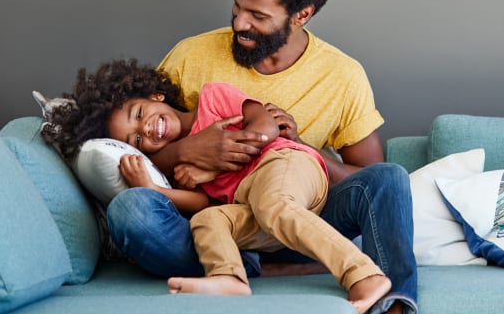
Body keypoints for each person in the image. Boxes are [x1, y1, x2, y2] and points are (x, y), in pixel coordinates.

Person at [106, 0, 417, 314]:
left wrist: (301, 147)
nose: (239, 23)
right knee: (131, 212)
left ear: (302, 14)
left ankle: (390, 299)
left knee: (389, 177)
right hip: (232, 216)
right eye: (237, 7)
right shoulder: (191, 56)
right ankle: (245, 271)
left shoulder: (343, 75)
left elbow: (365, 181)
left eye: (258, 16)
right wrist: (187, 151)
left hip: (300, 207)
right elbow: (149, 140)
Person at [42, 59, 392, 314]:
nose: (146, 129)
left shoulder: (212, 99)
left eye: (138, 114)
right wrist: (152, 188)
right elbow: (202, 204)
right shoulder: (180, 163)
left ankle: (362, 274)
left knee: (275, 204)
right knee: (207, 223)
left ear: (155, 95)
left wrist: (220, 158)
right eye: (135, 139)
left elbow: (266, 127)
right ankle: (230, 279)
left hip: (288, 164)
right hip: (250, 202)